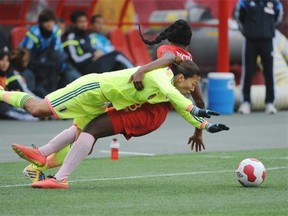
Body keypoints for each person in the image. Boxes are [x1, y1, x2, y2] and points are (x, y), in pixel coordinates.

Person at [22, 19, 208, 183]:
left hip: (144, 110)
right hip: (149, 111)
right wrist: (198, 132)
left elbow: (169, 58)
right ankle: (39, 166)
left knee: (89, 132)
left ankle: (52, 173)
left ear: (170, 39)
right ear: (188, 44)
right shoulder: (190, 63)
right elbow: (199, 100)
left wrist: (142, 70)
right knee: (82, 131)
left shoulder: (167, 51)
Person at [5, 60, 229, 188]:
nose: (194, 89)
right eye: (194, 83)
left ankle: (53, 170)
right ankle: (2, 94)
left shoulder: (166, 88)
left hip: (102, 101)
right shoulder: (162, 75)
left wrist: (205, 126)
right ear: (181, 78)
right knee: (38, 109)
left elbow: (181, 106)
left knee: (81, 132)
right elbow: (179, 97)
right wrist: (196, 109)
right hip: (92, 88)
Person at [235, 0, 283, 114]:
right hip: (251, 41)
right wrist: (247, 32)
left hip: (267, 41)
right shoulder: (245, 2)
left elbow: (278, 19)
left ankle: (270, 103)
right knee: (248, 72)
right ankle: (246, 102)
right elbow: (239, 17)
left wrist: (269, 30)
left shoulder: (275, 3)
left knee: (269, 72)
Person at [19, 9, 81, 97]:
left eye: (52, 21)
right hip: (32, 59)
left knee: (60, 63)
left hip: (47, 58)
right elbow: (27, 53)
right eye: (46, 21)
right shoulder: (34, 33)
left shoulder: (55, 30)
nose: (50, 24)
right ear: (41, 23)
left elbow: (58, 49)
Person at [63, 11, 134, 75]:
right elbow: (76, 60)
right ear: (74, 24)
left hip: (93, 64)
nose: (84, 24)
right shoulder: (71, 37)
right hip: (84, 69)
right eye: (80, 22)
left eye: (85, 21)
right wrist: (92, 55)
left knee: (117, 65)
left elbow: (92, 50)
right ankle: (135, 72)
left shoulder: (86, 36)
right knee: (117, 55)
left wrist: (96, 53)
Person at [0, 50, 37, 121]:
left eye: (7, 60)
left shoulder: (6, 76)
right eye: (2, 60)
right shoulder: (12, 76)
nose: (5, 63)